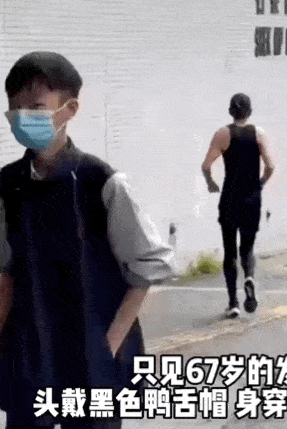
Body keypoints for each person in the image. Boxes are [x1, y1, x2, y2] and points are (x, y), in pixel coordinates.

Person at [0, 52, 175, 428]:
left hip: (92, 353)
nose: (22, 117)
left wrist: (110, 343)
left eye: (35, 107)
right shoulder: (7, 185)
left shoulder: (101, 182)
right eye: (14, 108)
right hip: (29, 354)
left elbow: (150, 265)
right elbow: (5, 276)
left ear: (69, 109)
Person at [201, 93, 275, 318]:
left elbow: (206, 166)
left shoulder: (223, 134)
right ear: (249, 112)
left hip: (230, 196)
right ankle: (249, 277)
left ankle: (233, 302)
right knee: (247, 248)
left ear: (230, 112)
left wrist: (211, 183)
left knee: (229, 250)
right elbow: (270, 166)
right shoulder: (258, 134)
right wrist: (259, 184)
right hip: (251, 197)